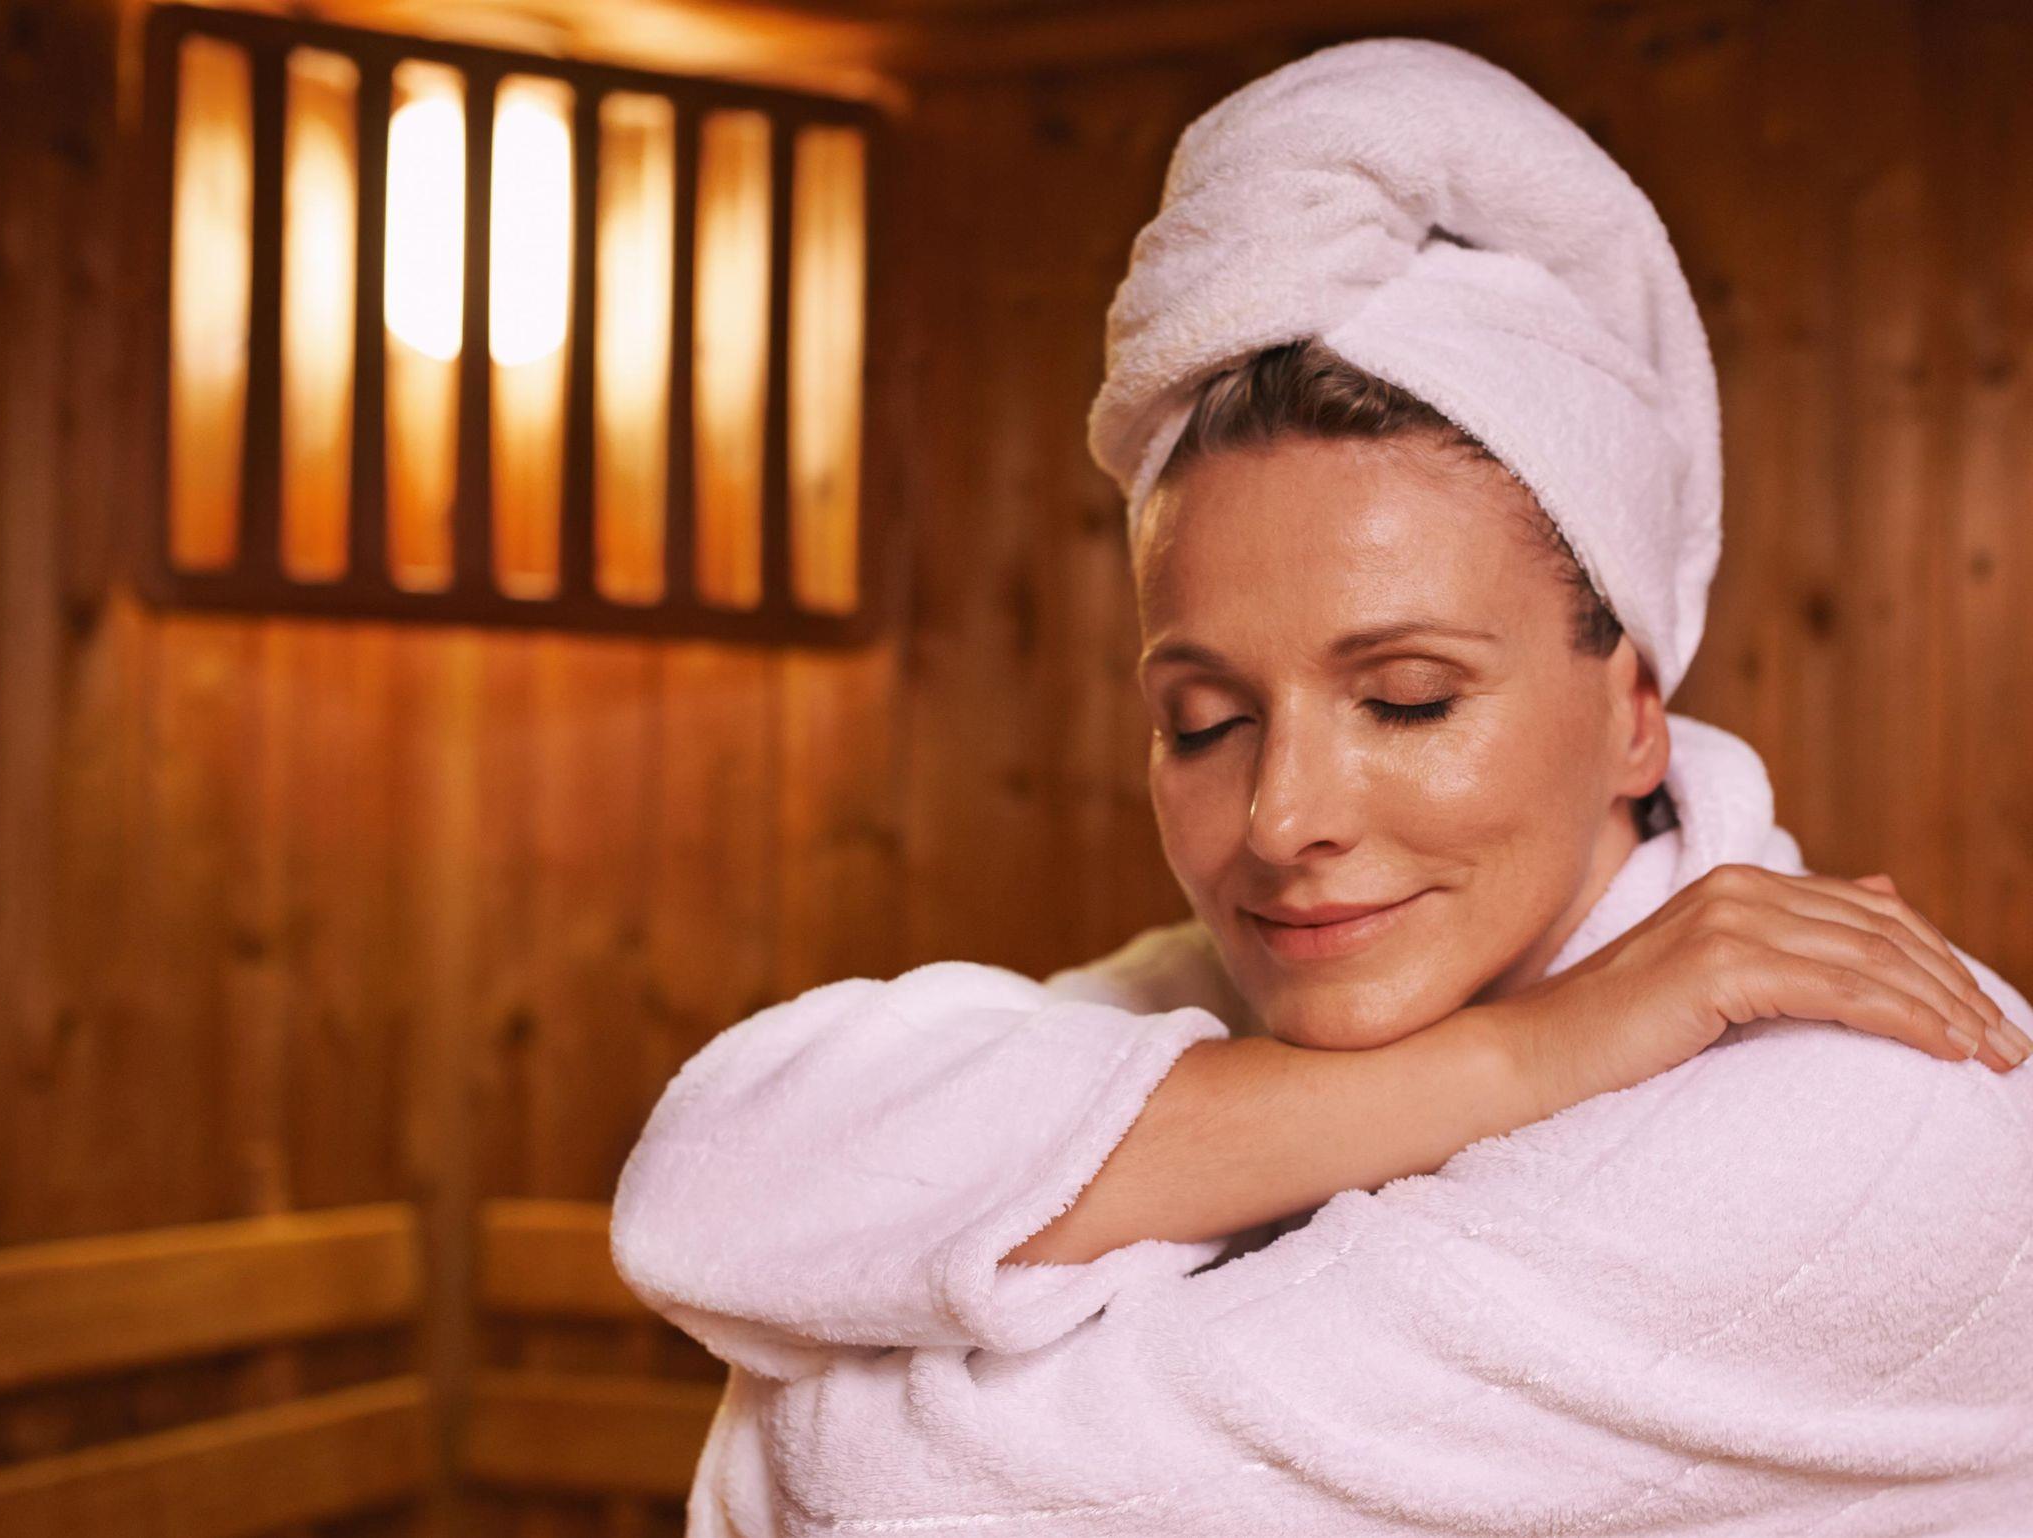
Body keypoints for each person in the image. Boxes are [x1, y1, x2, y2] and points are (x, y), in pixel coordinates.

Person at [611, 37, 2033, 1536]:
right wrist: (1520, 1060)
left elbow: (897, 1493)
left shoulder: (1876, 1119)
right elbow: (714, 1183)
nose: (1284, 819)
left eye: (1408, 699)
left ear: (1634, 712)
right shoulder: (1313, 992)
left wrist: (811, 1360)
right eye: (1206, 721)